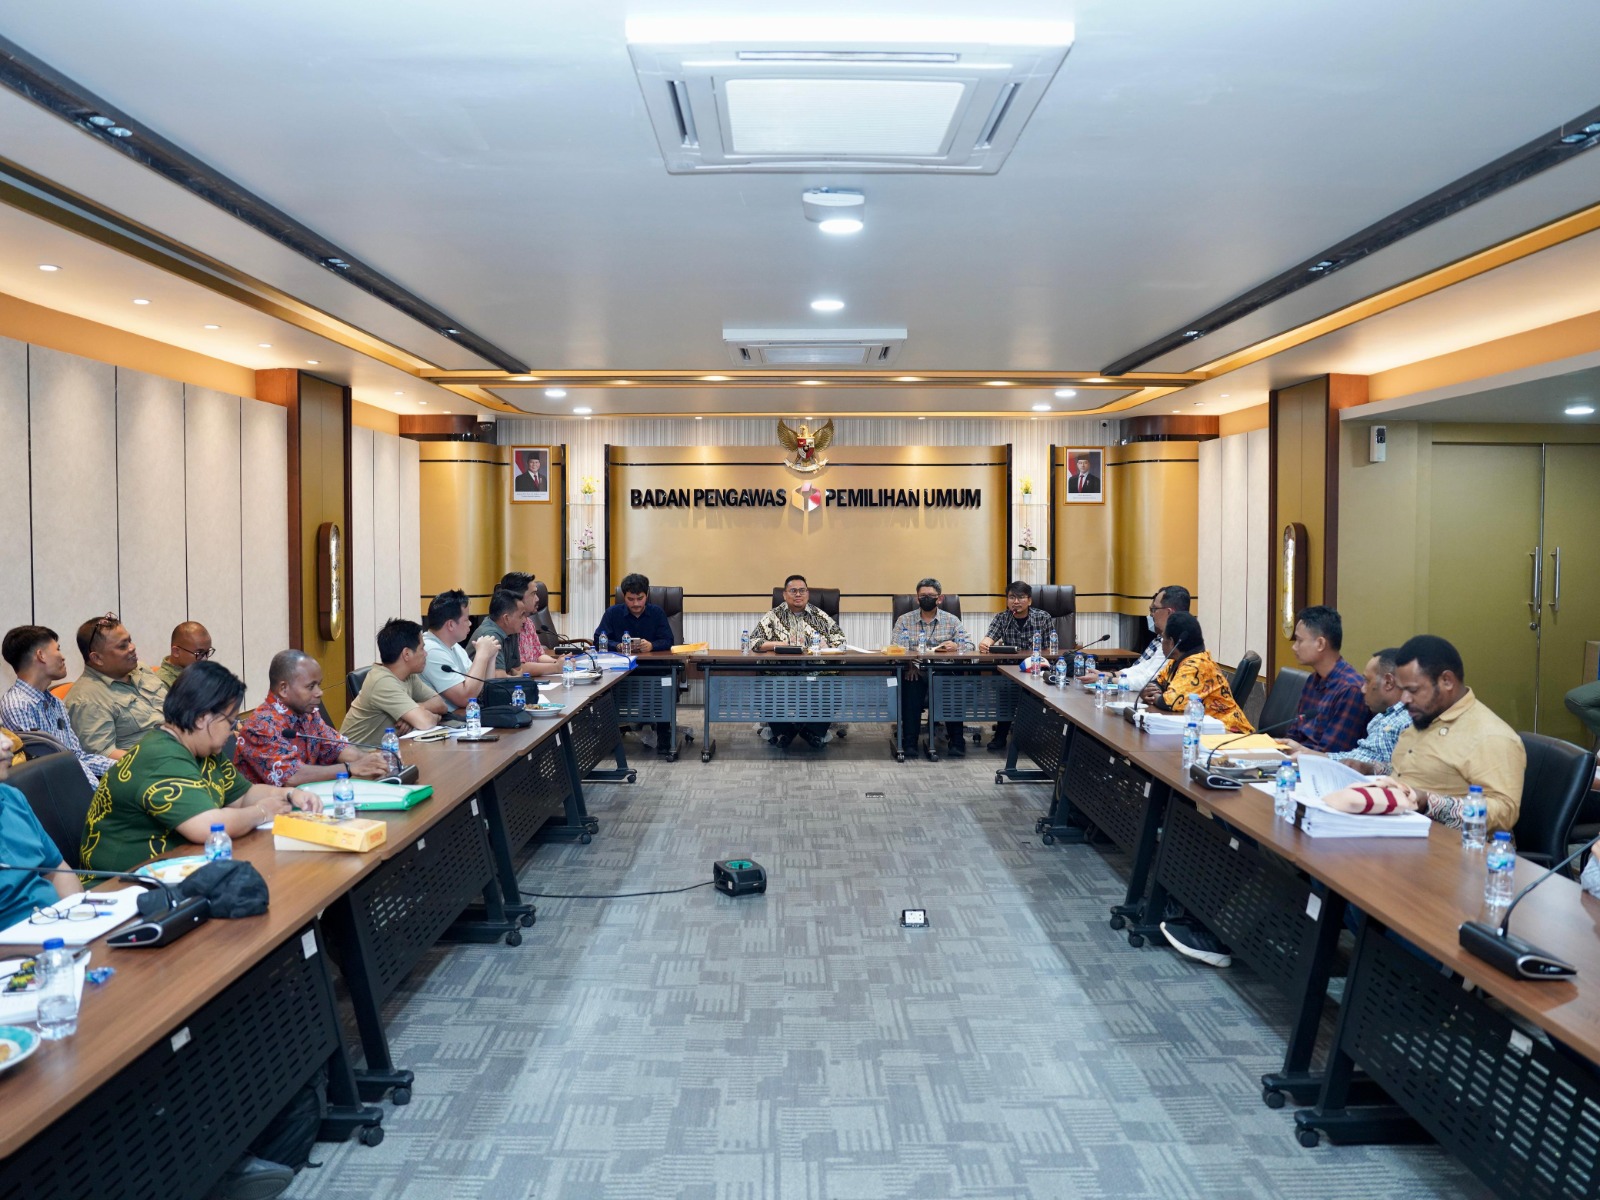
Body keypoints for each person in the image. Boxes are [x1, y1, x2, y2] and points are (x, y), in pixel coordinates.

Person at [80, 662, 319, 874]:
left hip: (175, 870)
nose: (232, 730)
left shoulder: (202, 749)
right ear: (201, 719)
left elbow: (243, 794)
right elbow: (207, 827)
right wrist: (263, 813)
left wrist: (288, 794)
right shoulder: (162, 758)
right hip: (120, 886)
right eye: (230, 720)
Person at [1374, 635, 1526, 834]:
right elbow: (1420, 773)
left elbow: (1504, 812)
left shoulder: (1491, 736)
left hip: (1452, 849)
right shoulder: (1426, 716)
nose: (1404, 699)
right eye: (1402, 690)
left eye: (1413, 690)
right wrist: (1372, 769)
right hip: (1401, 831)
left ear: (1446, 681)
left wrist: (1429, 803)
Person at [235, 650, 390, 786]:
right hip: (269, 813)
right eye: (311, 686)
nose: (319, 692)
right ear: (283, 689)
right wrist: (350, 768)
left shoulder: (308, 714)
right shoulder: (261, 725)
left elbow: (337, 748)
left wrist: (375, 763)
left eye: (319, 685)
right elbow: (291, 776)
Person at [0, 625, 117, 785]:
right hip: (64, 796)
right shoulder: (17, 705)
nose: (63, 657)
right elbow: (45, 768)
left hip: (85, 788)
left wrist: (124, 767)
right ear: (41, 655)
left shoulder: (55, 702)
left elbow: (78, 756)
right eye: (57, 649)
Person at [751, 575, 846, 749]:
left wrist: (827, 645)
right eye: (793, 591)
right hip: (780, 673)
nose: (798, 594)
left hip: (815, 674)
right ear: (785, 595)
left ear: (808, 594)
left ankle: (812, 731)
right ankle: (785, 730)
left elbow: (841, 641)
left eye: (802, 590)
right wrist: (779, 644)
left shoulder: (820, 616)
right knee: (765, 684)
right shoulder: (773, 616)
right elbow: (754, 642)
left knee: (832, 684)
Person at [0, 727, 78, 929]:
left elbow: (57, 869)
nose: (7, 742)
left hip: (57, 926)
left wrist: (78, 919)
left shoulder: (11, 797)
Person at [1286, 647, 1412, 772]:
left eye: (1367, 681)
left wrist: (1372, 769)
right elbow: (1354, 759)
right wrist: (1306, 753)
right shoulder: (1384, 716)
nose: (1362, 689)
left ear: (1389, 683)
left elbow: (1407, 774)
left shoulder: (1406, 722)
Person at [64, 613, 167, 758]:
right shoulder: (86, 699)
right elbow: (101, 754)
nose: (132, 647)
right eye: (122, 646)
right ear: (97, 658)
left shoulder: (141, 669)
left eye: (130, 641)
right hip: (150, 767)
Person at [595, 573, 677, 754]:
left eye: (640, 599)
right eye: (631, 599)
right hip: (620, 672)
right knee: (603, 688)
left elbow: (669, 640)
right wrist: (616, 645)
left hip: (653, 669)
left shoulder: (656, 613)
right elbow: (598, 639)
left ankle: (664, 734)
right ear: (624, 597)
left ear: (646, 595)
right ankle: (607, 737)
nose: (636, 604)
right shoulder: (613, 613)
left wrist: (652, 645)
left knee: (663, 684)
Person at [1137, 612, 1252, 733]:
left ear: (1172, 642)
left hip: (1230, 732)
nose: (1161, 643)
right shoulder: (1178, 660)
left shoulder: (1197, 665)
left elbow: (1169, 702)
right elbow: (1158, 682)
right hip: (1207, 731)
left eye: (1163, 638)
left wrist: (1152, 697)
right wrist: (1150, 691)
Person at [342, 619, 450, 746]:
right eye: (422, 648)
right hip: (357, 758)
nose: (425, 654)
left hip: (386, 752)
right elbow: (424, 722)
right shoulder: (383, 682)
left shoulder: (408, 675)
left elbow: (441, 704)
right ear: (407, 654)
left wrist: (420, 708)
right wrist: (433, 716)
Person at [891, 578, 966, 757]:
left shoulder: (951, 620)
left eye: (931, 596)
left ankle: (957, 741)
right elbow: (896, 648)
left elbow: (969, 645)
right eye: (922, 596)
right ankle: (909, 742)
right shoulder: (905, 620)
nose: (926, 599)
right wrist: (910, 665)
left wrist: (957, 646)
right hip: (914, 670)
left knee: (951, 687)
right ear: (917, 599)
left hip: (944, 671)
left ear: (939, 598)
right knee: (911, 685)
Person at [979, 581, 1056, 753]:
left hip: (1035, 669)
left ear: (1029, 600)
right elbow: (988, 639)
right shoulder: (1002, 618)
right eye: (1012, 597)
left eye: (1021, 597)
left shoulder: (1043, 617)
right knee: (1005, 694)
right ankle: (1001, 735)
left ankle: (1031, 737)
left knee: (1033, 697)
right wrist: (984, 644)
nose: (1016, 601)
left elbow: (1052, 648)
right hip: (1009, 670)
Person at [1279, 606, 1368, 753]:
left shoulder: (1350, 689)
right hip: (1297, 761)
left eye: (1299, 641)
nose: (1294, 647)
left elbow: (1333, 754)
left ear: (1320, 644)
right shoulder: (1313, 680)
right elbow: (1294, 733)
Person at [1088, 585, 1190, 692]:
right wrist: (1108, 675)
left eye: (1155, 609)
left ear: (1169, 612)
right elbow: (1142, 668)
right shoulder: (1166, 638)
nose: (1152, 615)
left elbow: (1148, 681)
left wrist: (1108, 679)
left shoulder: (1177, 643)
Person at [418, 590, 502, 713]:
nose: (470, 623)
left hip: (464, 717)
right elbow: (465, 698)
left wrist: (491, 656)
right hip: (444, 722)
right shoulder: (430, 650)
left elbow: (483, 691)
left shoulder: (454, 646)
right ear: (451, 625)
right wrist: (482, 654)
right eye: (466, 619)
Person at [498, 572, 563, 676]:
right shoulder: (508, 626)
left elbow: (539, 655)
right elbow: (519, 668)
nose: (537, 599)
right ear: (518, 597)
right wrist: (556, 667)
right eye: (533, 594)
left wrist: (559, 663)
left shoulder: (528, 622)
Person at [468, 589, 529, 678]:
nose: (525, 620)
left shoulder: (512, 631)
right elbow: (499, 677)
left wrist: (513, 675)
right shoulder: (490, 635)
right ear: (506, 618)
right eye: (521, 615)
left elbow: (517, 669)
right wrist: (517, 677)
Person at [153, 620, 214, 690]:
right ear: (176, 652)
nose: (205, 659)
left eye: (207, 652)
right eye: (199, 653)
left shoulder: (199, 674)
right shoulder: (161, 685)